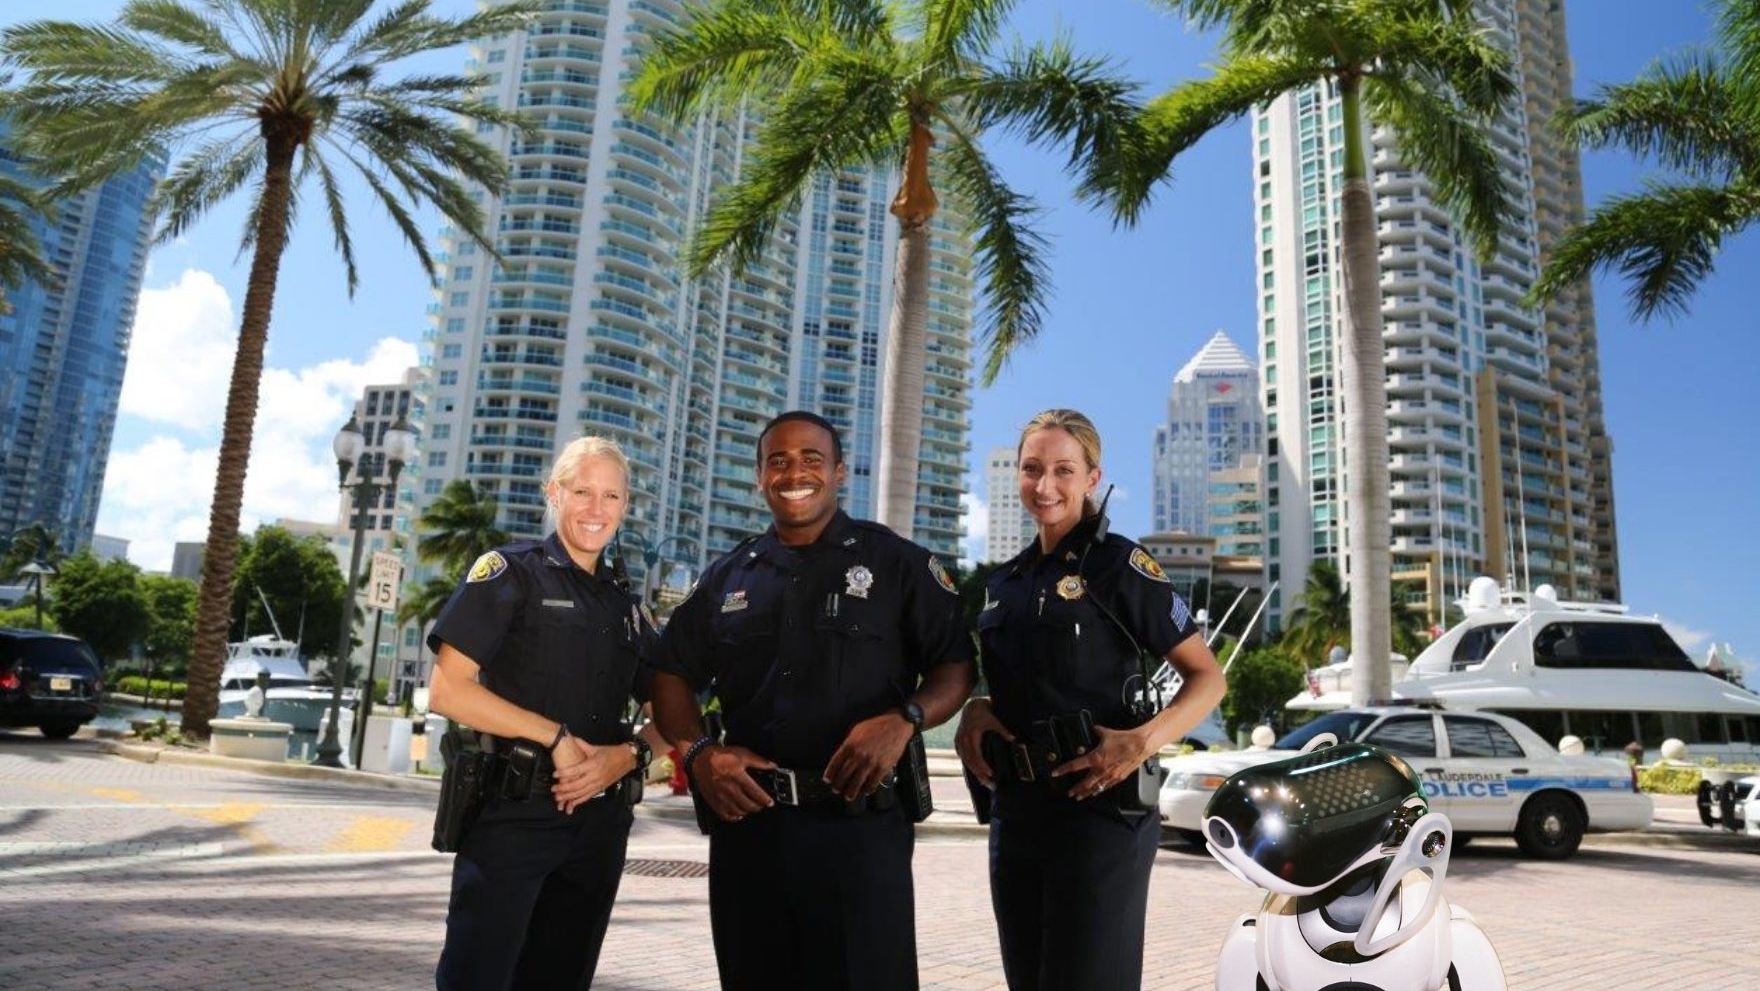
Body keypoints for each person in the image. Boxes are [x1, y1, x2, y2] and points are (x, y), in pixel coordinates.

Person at [651, 410, 976, 991]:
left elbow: (955, 666)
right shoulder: (727, 577)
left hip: (859, 831)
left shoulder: (896, 564)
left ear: (839, 472)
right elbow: (671, 674)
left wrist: (907, 719)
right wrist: (699, 754)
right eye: (778, 460)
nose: (794, 472)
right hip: (748, 827)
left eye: (810, 459)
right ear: (759, 477)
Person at [955, 408, 1227, 991]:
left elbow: (1208, 678)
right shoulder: (1003, 583)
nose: (1044, 485)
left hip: (1100, 808)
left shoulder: (1121, 566)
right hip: (1019, 810)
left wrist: (1142, 741)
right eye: (1032, 469)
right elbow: (1014, 678)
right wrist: (978, 705)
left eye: (1062, 470)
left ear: (1091, 478)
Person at [427, 436, 667, 991]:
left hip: (599, 828)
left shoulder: (627, 606)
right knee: (477, 978)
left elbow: (673, 717)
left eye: (611, 495)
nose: (596, 508)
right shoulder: (511, 572)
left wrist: (628, 757)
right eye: (581, 490)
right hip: (513, 813)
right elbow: (448, 691)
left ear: (625, 507)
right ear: (553, 493)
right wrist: (554, 737)